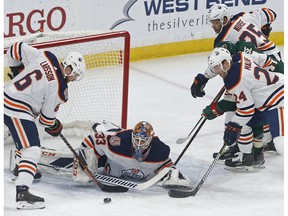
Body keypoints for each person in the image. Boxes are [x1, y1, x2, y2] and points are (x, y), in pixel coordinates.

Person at [4, 42, 86, 210]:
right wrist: (55, 125)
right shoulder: (60, 89)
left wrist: (15, 70)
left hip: (5, 94)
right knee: (33, 148)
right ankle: (23, 192)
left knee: (30, 134)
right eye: (75, 75)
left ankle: (21, 167)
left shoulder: (47, 56)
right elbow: (46, 120)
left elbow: (16, 47)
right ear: (69, 68)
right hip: (16, 109)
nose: (73, 79)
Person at [11, 121, 192, 192]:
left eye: (143, 141)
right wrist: (86, 160)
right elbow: (92, 141)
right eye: (136, 140)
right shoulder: (118, 141)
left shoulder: (160, 151)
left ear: (151, 140)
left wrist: (174, 176)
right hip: (106, 155)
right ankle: (25, 157)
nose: (138, 144)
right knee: (73, 167)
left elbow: (167, 168)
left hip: (114, 160)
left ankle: (105, 125)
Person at [207, 47, 283, 170]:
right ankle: (254, 156)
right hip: (280, 85)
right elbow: (263, 58)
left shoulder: (234, 80)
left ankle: (247, 158)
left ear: (226, 63)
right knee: (248, 123)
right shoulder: (241, 56)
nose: (216, 72)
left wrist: (233, 127)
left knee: (243, 124)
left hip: (276, 101)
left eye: (217, 68)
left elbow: (246, 109)